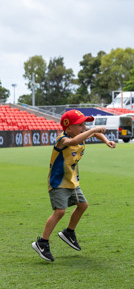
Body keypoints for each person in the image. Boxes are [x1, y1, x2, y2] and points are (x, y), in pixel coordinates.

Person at [32, 109, 116, 262]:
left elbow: (94, 134)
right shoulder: (62, 139)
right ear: (68, 128)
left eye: (84, 125)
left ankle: (69, 232)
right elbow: (73, 142)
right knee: (60, 212)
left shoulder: (79, 135)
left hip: (72, 181)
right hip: (58, 182)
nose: (83, 128)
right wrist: (94, 129)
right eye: (80, 125)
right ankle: (42, 242)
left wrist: (106, 141)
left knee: (83, 205)